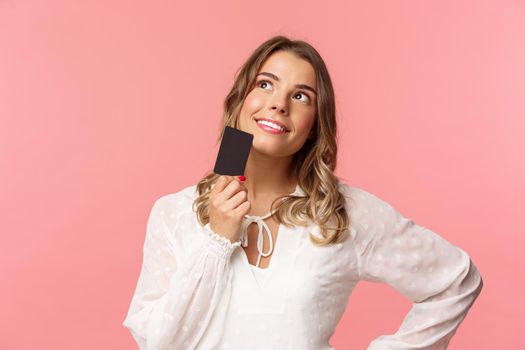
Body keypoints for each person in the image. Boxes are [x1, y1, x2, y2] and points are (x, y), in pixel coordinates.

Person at [122, 35, 483, 349]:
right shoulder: (174, 213)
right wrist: (216, 240)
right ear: (239, 101)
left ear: (314, 125)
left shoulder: (343, 213)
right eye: (265, 85)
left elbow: (456, 280)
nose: (279, 103)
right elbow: (158, 343)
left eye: (301, 96)